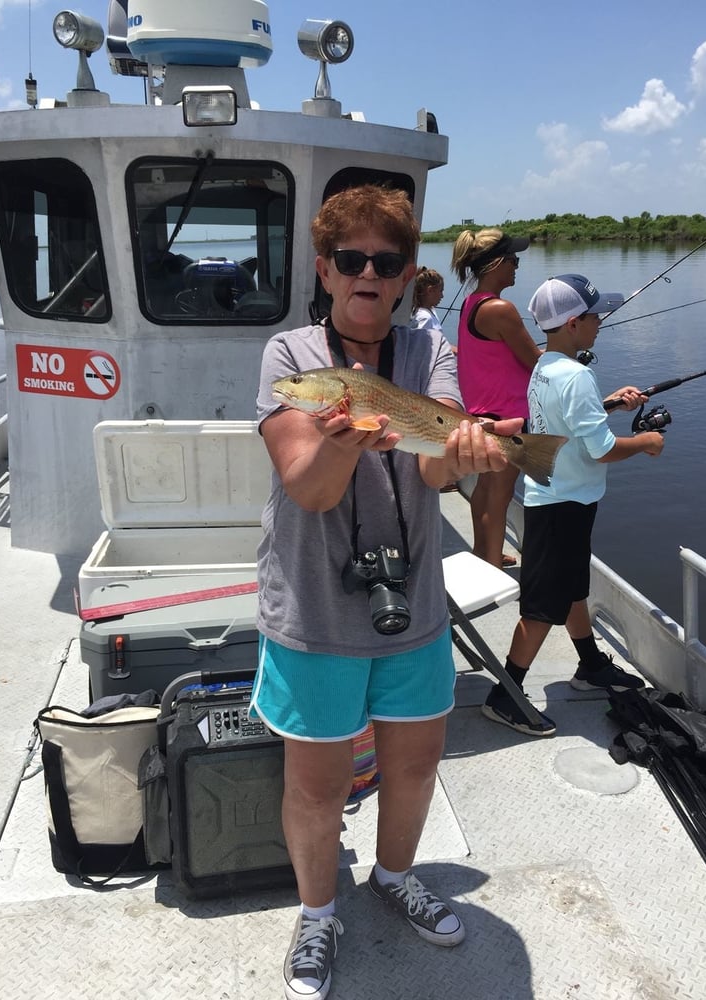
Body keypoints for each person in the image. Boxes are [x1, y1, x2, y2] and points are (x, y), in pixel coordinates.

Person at [251, 184, 521, 1000]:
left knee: (415, 761)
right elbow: (309, 489)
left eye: (387, 260)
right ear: (327, 271)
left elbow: (434, 459)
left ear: (406, 276)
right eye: (352, 259)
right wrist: (342, 440)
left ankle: (395, 875)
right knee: (317, 782)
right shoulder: (291, 359)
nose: (369, 272)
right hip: (314, 605)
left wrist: (468, 454)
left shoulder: (426, 352)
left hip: (412, 601)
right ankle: (318, 910)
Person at [481, 273, 666, 738]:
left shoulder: (544, 367)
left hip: (557, 496)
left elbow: (566, 418)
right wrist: (644, 441)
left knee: (571, 588)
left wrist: (610, 404)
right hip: (563, 504)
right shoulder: (578, 374)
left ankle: (590, 664)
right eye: (592, 315)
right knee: (543, 605)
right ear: (571, 324)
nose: (600, 321)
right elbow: (600, 449)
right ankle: (505, 695)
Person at [451, 227, 541, 568]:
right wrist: (567, 352)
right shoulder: (500, 309)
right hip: (508, 418)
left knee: (485, 489)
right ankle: (489, 566)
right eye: (513, 259)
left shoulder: (471, 304)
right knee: (500, 496)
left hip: (482, 412)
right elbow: (534, 361)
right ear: (496, 264)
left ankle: (482, 551)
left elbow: (502, 355)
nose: (517, 265)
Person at [410, 265, 445, 334]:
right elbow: (419, 343)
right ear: (430, 291)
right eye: (440, 291)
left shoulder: (432, 311)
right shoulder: (425, 318)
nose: (442, 296)